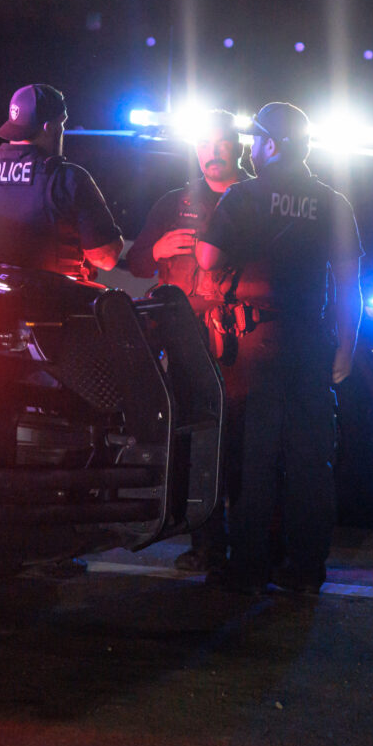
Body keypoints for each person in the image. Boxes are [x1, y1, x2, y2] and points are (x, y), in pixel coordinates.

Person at [195, 101, 362, 594]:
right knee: (312, 460)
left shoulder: (245, 196)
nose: (250, 149)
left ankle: (250, 566)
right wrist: (346, 348)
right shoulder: (334, 201)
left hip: (254, 345)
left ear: (271, 145)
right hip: (312, 342)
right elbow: (350, 283)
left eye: (256, 140)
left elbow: (206, 259)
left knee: (253, 458)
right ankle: (307, 568)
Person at [124, 110, 248, 571]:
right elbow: (136, 262)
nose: (212, 153)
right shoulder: (173, 203)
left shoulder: (257, 199)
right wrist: (156, 250)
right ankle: (206, 547)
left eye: (221, 143)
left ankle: (253, 546)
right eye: (203, 144)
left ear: (239, 146)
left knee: (246, 445)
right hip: (186, 342)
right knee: (200, 445)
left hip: (244, 343)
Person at [0, 83, 123, 279]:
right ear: (49, 127)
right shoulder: (69, 180)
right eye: (62, 123)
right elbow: (106, 259)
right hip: (50, 306)